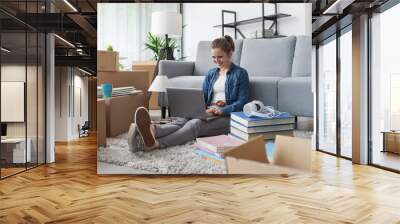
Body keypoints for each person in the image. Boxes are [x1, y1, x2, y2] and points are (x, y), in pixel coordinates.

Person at [128, 35, 250, 151]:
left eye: (220, 57)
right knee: (182, 119)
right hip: (208, 110)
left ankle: (156, 143)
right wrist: (199, 108)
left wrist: (222, 110)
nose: (216, 61)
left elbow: (242, 102)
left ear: (229, 54)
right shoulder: (211, 74)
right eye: (213, 57)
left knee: (194, 124)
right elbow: (203, 96)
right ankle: (153, 130)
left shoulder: (240, 74)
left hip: (227, 117)